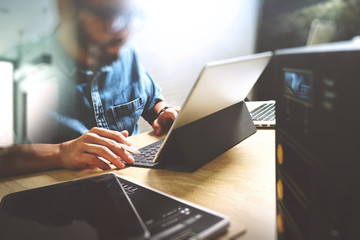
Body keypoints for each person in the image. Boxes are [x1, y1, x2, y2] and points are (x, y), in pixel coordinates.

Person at [0, 0, 179, 178]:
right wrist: (61, 153)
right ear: (65, 7)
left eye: (128, 17)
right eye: (108, 15)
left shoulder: (126, 52)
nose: (123, 33)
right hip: (62, 192)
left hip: (133, 177)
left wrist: (163, 112)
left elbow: (151, 99)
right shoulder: (15, 66)